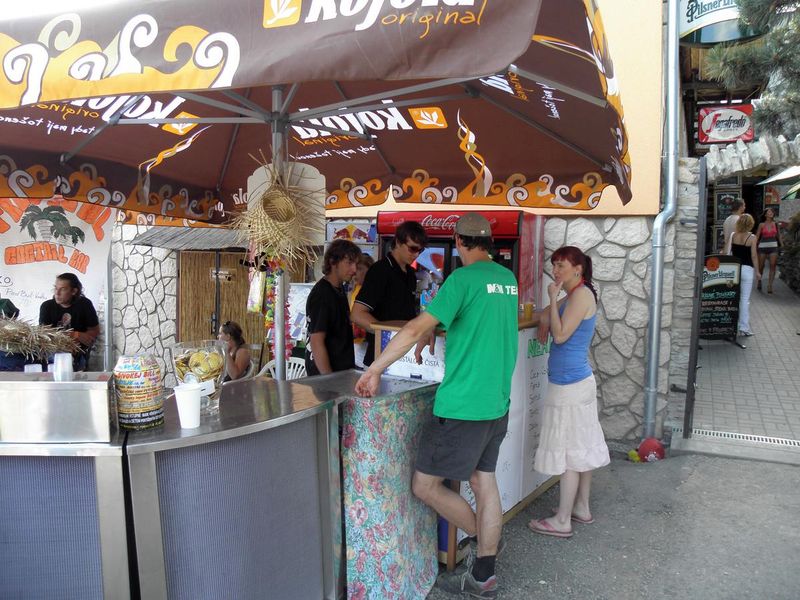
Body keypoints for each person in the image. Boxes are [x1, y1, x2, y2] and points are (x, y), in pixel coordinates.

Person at [355, 213, 518, 598]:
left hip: (463, 404)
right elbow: (474, 321)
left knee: (425, 485)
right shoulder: (507, 280)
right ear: (488, 243)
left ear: (459, 242)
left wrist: (375, 368)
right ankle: (484, 570)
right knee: (483, 481)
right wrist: (437, 327)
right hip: (496, 401)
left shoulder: (461, 279)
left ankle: (485, 541)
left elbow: (413, 327)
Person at [527, 246, 610, 539]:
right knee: (580, 448)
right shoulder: (576, 293)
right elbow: (546, 316)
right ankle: (581, 508)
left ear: (578, 269)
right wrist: (548, 312)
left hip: (569, 386)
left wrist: (551, 298)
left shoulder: (581, 295)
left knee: (569, 452)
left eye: (561, 265)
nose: (556, 270)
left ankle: (562, 520)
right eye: (554, 265)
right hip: (575, 383)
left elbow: (561, 336)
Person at [351, 220, 428, 366]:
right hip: (379, 357)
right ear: (398, 242)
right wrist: (388, 334)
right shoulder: (380, 270)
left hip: (404, 357)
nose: (416, 254)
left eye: (421, 250)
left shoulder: (410, 274)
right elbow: (357, 314)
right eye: (412, 249)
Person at [306, 239, 361, 376]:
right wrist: (329, 380)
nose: (354, 269)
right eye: (349, 263)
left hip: (341, 373)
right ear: (333, 262)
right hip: (325, 377)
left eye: (356, 264)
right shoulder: (322, 295)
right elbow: (316, 341)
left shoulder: (338, 289)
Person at [39, 273, 99, 371]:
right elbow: (44, 336)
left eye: (62, 289)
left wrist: (75, 335)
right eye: (55, 288)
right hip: (53, 353)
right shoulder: (47, 306)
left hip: (78, 353)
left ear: (74, 291)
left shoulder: (85, 304)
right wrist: (73, 337)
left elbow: (93, 333)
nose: (57, 293)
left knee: (71, 362)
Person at [724, 214, 760, 336]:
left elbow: (726, 251)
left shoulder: (733, 235)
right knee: (744, 299)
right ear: (751, 224)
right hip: (747, 270)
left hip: (734, 269)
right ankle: (744, 328)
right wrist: (757, 271)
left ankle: (729, 324)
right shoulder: (752, 238)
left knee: (732, 297)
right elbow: (754, 256)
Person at [755, 207, 782, 294]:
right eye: (769, 212)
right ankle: (759, 281)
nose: (770, 213)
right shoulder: (761, 225)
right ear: (765, 214)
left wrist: (782, 245)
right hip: (762, 247)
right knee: (761, 266)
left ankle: (770, 285)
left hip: (773, 247)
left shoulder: (776, 224)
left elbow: (779, 236)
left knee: (773, 265)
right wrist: (753, 245)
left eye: (772, 212)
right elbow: (757, 236)